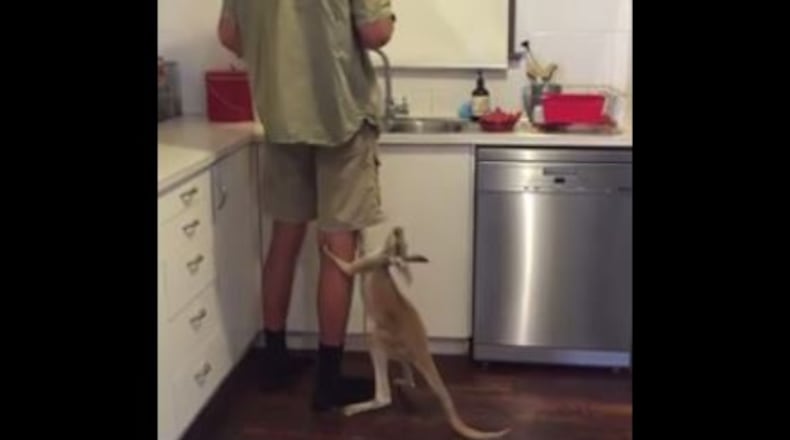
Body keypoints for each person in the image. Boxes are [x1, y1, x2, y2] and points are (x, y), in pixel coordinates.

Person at [217, 0, 395, 412]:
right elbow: (377, 32)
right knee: (338, 248)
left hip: (281, 118)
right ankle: (328, 381)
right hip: (341, 120)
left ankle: (274, 360)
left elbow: (229, 36)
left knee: (285, 235)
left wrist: (279, 48)